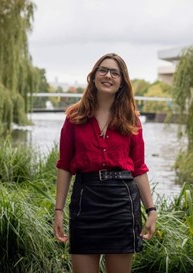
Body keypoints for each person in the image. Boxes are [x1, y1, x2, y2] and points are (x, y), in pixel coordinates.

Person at [54, 53, 157, 273]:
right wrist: (59, 210)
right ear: (93, 77)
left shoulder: (131, 119)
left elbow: (139, 168)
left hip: (121, 204)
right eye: (103, 70)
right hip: (86, 202)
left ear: (122, 82)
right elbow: (64, 165)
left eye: (115, 72)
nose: (108, 76)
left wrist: (151, 209)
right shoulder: (74, 117)